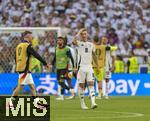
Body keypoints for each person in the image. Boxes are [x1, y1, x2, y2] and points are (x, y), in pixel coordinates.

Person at [9, 31, 50, 108]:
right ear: (27, 36)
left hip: (22, 68)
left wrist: (19, 66)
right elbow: (36, 54)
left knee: (32, 87)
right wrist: (45, 63)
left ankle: (38, 104)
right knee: (20, 87)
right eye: (31, 36)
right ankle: (10, 103)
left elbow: (15, 57)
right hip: (25, 69)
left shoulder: (19, 46)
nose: (32, 38)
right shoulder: (27, 45)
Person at [72, 28, 99, 109]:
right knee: (82, 86)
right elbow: (73, 41)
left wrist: (97, 66)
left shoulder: (91, 44)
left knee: (91, 84)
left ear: (87, 35)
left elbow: (94, 55)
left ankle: (93, 103)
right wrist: (79, 32)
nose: (84, 35)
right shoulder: (79, 44)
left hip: (89, 67)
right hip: (81, 67)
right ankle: (82, 103)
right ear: (81, 35)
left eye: (85, 34)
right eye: (82, 34)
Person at [52, 36, 75, 100]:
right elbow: (55, 57)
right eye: (58, 40)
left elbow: (71, 58)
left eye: (60, 40)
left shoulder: (67, 49)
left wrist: (74, 66)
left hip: (65, 68)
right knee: (59, 82)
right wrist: (52, 64)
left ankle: (65, 94)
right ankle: (69, 92)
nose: (59, 41)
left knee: (63, 81)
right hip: (58, 67)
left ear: (63, 41)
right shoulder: (56, 48)